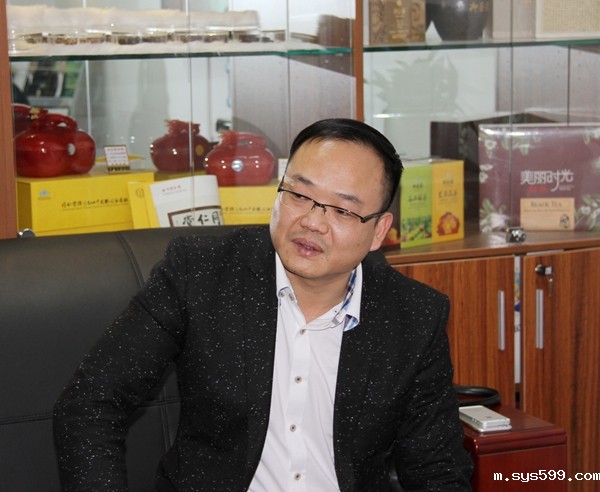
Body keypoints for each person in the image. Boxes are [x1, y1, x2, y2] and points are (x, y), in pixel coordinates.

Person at [54, 118, 473, 491]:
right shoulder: (200, 274)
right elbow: (91, 401)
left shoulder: (413, 316)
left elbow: (436, 470)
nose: (311, 221)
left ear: (379, 230)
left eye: (343, 211)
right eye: (299, 194)